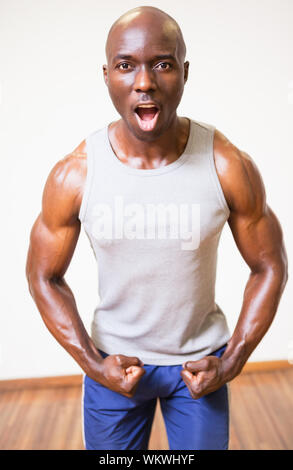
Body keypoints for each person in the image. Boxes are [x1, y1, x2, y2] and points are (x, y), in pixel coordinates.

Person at [25, 6, 288, 451]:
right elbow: (42, 275)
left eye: (162, 64)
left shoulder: (226, 164)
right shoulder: (75, 174)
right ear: (107, 75)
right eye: (126, 65)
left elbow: (269, 265)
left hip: (199, 369)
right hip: (114, 365)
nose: (144, 82)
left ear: (184, 73)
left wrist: (232, 362)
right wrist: (92, 362)